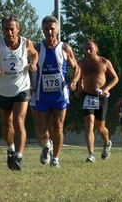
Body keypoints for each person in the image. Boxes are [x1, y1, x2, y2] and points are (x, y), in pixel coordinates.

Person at [0, 14, 38, 171]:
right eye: (6, 29)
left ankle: (19, 156)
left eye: (12, 29)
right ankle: (11, 148)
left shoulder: (26, 43)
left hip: (22, 88)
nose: (9, 32)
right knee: (7, 126)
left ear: (18, 29)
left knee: (19, 121)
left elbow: (34, 54)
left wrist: (33, 63)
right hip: (3, 90)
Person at [32, 15, 80, 168]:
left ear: (57, 29)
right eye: (46, 29)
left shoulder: (65, 48)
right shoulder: (38, 48)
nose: (49, 32)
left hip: (60, 94)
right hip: (42, 94)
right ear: (43, 30)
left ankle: (56, 159)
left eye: (52, 28)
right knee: (41, 129)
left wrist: (74, 81)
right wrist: (31, 71)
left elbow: (77, 68)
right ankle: (46, 145)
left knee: (58, 126)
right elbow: (31, 66)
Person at [75, 40, 119, 162]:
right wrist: (79, 89)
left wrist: (106, 88)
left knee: (100, 128)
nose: (88, 51)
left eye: (90, 48)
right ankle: (91, 154)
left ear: (96, 49)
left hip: (101, 97)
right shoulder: (82, 63)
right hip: (87, 96)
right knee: (89, 124)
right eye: (86, 49)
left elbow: (115, 78)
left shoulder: (104, 62)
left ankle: (107, 143)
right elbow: (81, 78)